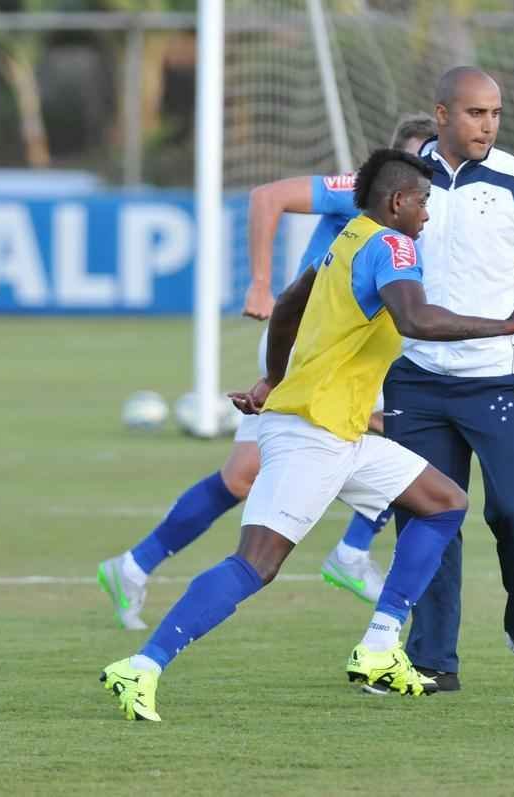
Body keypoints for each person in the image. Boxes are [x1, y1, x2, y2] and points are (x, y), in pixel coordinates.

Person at [100, 147, 514, 721]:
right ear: (397, 202)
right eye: (424, 203)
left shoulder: (349, 238)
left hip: (336, 431)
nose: (428, 216)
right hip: (314, 434)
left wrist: (273, 378)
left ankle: (382, 646)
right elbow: (416, 320)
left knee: (443, 503)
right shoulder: (392, 244)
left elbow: (288, 304)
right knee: (255, 565)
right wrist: (505, 324)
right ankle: (142, 666)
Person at [97, 114, 436, 628]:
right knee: (415, 443)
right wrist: (260, 283)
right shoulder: (364, 195)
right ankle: (352, 552)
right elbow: (268, 196)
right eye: (419, 155)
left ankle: (134, 565)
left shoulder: (429, 215)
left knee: (239, 477)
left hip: (344, 349)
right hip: (313, 350)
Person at [382, 67, 514, 692]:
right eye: (476, 113)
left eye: (495, 114)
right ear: (442, 114)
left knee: (513, 506)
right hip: (416, 378)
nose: (488, 125)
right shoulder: (400, 184)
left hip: (500, 377)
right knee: (426, 515)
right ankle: (431, 662)